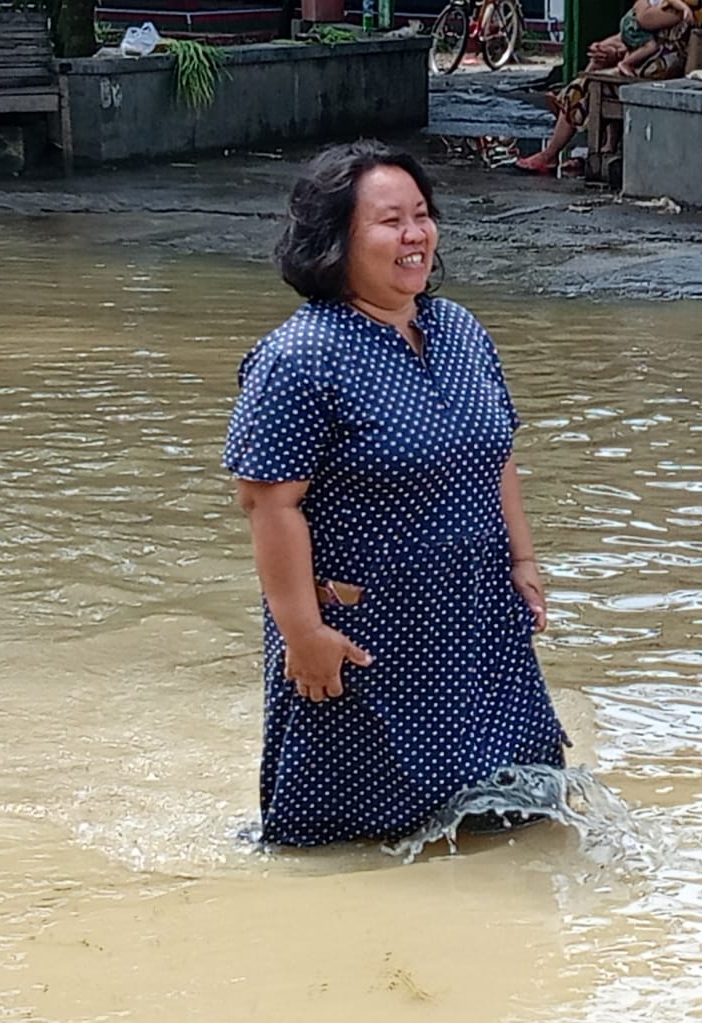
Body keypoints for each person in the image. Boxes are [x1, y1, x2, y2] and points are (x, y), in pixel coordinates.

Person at [224, 140, 567, 847]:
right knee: (351, 851)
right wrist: (303, 634)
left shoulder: (459, 330)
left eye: (422, 216)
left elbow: (496, 452)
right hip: (365, 639)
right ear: (334, 242)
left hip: (479, 623)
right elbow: (268, 503)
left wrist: (522, 562)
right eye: (389, 222)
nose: (415, 235)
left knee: (518, 822)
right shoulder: (300, 357)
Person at [513, 0, 702, 174]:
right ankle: (601, 148)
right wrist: (606, 47)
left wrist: (639, 4)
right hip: (648, 63)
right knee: (599, 64)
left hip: (661, 71)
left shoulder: (686, 6)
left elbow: (645, 20)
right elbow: (632, 31)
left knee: (587, 84)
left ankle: (552, 151)